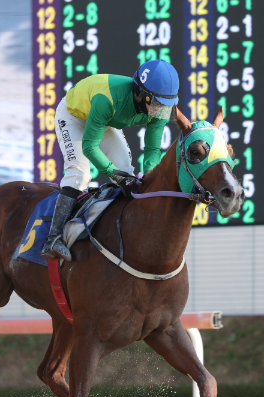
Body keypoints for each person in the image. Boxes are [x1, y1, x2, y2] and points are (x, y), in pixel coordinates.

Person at [40, 59, 179, 262]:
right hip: (74, 116)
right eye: (156, 103)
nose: (160, 110)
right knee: (80, 174)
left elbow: (152, 150)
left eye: (165, 105)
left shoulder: (159, 107)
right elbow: (89, 147)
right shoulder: (108, 99)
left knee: (128, 173)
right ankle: (52, 238)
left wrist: (149, 177)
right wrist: (115, 175)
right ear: (141, 93)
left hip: (102, 120)